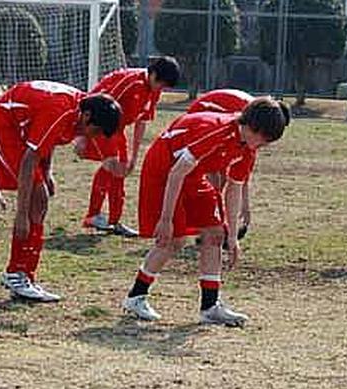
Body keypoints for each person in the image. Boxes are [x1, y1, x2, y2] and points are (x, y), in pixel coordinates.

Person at [121, 98, 287, 327]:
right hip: (164, 171)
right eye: (264, 138)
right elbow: (176, 172)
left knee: (215, 234)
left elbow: (234, 187)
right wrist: (167, 219)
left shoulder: (248, 148)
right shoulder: (217, 131)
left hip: (193, 175)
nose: (263, 145)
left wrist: (232, 237)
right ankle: (135, 297)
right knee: (174, 240)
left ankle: (210, 307)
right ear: (251, 127)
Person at [0, 81, 121, 302]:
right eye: (95, 131)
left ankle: (26, 275)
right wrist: (21, 214)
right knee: (37, 199)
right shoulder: (61, 110)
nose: (94, 137)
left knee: (41, 200)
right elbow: (30, 158)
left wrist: (46, 172)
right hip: (5, 127)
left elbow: (48, 140)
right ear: (86, 116)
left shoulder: (76, 112)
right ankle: (15, 273)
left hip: (22, 132)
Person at [79, 56, 180, 236]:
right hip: (102, 125)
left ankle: (115, 221)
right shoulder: (130, 81)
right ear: (153, 74)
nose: (161, 89)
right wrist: (83, 136)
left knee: (122, 169)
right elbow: (97, 103)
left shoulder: (154, 91)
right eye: (161, 84)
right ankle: (92, 216)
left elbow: (142, 120)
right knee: (111, 165)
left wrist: (134, 155)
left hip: (119, 129)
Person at [187, 88, 291, 243]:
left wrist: (245, 205)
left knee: (221, 179)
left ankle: (215, 225)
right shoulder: (251, 123)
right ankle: (208, 226)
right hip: (203, 116)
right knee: (214, 179)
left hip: (221, 117)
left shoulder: (255, 132)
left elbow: (241, 175)